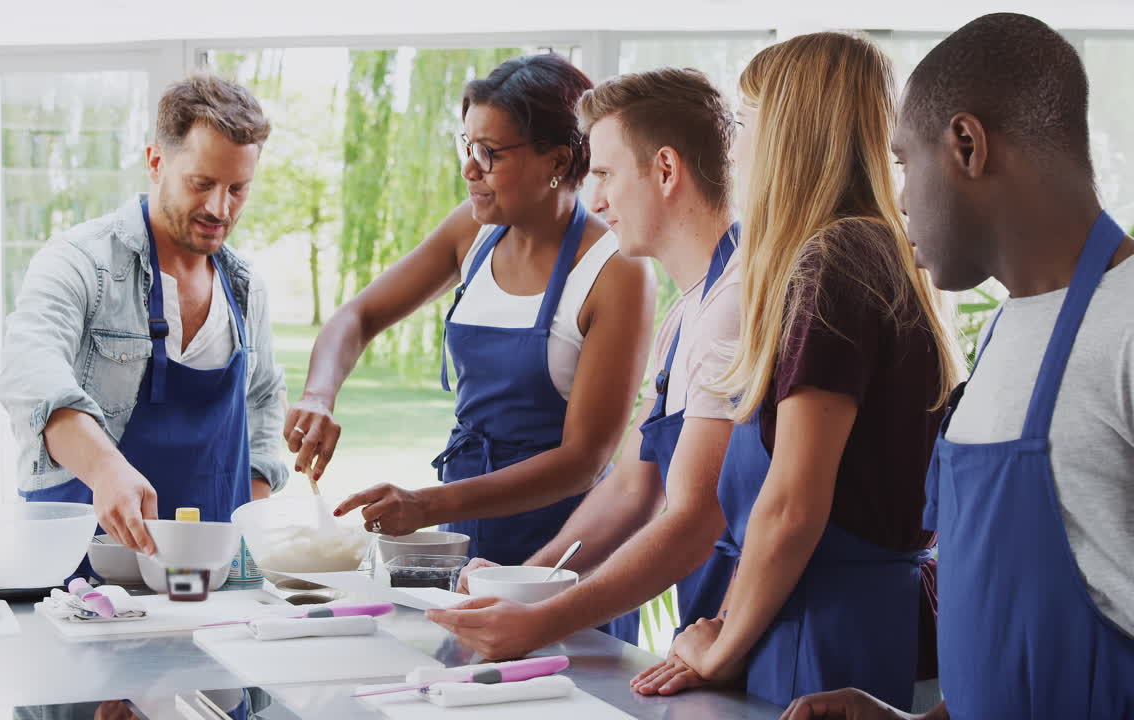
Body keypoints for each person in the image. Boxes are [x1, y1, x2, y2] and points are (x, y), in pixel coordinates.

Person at [783, 14, 1134, 720]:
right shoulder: (1005, 330)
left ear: (967, 145)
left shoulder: (1126, 326)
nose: (902, 199)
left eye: (906, 162)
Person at [632, 32, 962, 709]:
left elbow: (790, 508)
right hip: (855, 623)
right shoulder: (884, 253)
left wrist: (721, 648)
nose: (736, 146)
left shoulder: (832, 264)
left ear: (790, 133)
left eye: (748, 122)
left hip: (820, 637)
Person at [285, 55, 656, 628]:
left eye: (491, 153)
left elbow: (584, 462)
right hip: (467, 532)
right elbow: (358, 316)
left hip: (564, 547)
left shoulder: (616, 270)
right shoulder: (475, 231)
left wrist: (429, 504)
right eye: (467, 145)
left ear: (557, 161)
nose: (469, 168)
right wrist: (318, 394)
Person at [428, 67, 741, 656]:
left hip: (741, 627)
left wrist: (544, 619)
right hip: (705, 627)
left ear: (666, 170)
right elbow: (630, 487)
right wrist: (529, 586)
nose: (594, 198)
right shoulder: (690, 311)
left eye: (603, 173)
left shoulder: (733, 307)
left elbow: (694, 520)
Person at [0, 73, 288, 556]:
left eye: (238, 189)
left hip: (207, 580)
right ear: (156, 162)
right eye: (203, 183)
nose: (221, 208)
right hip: (86, 570)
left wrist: (243, 525)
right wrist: (105, 470)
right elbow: (30, 373)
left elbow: (262, 403)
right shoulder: (78, 261)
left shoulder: (245, 287)